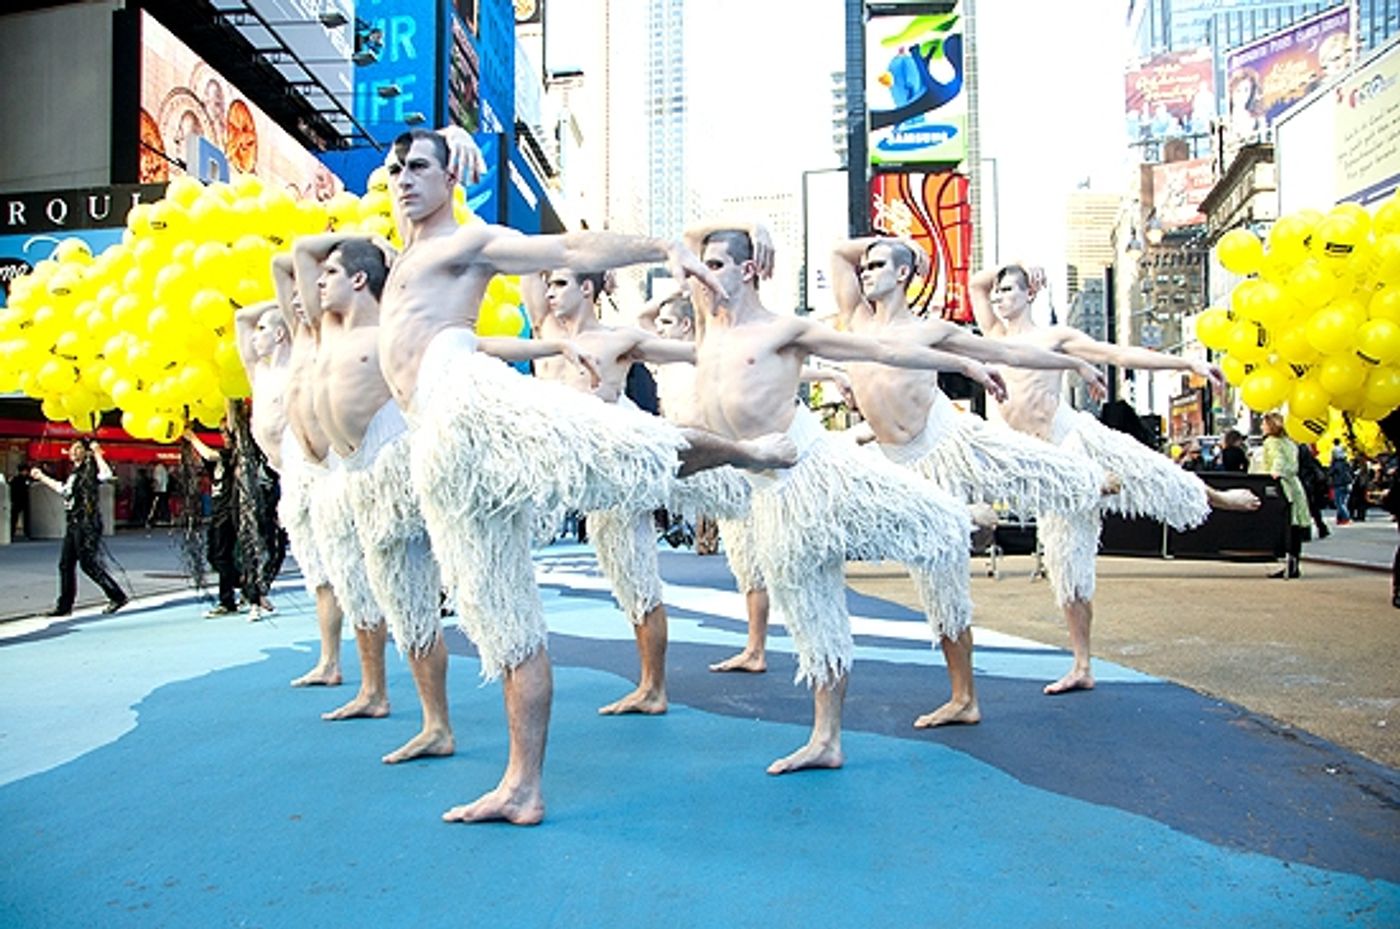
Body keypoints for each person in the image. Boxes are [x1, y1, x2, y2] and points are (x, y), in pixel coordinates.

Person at [376, 127, 795, 824]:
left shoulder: (467, 242)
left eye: (419, 166)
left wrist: (665, 247)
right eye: (395, 170)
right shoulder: (402, 257)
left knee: (629, 446)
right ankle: (522, 786)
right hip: (437, 444)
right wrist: (446, 136)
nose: (402, 178)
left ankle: (751, 454)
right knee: (503, 620)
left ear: (451, 178)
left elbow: (569, 248)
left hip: (469, 404)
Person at [684, 221, 1014, 773]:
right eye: (702, 265)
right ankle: (826, 740)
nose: (702, 273)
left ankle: (964, 518)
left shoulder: (783, 329)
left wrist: (961, 362)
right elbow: (687, 239)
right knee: (813, 617)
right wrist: (751, 225)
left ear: (746, 271)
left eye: (715, 265)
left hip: (812, 464)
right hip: (766, 487)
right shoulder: (705, 321)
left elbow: (881, 349)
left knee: (917, 514)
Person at [828, 236, 1113, 725]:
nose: (865, 271)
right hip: (893, 462)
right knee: (937, 588)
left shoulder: (931, 329)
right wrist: (886, 243)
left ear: (902, 275)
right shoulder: (854, 319)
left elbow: (1008, 353)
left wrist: (1076, 362)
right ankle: (971, 527)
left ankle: (1086, 480)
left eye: (877, 265)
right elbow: (838, 254)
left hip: (942, 444)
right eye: (866, 264)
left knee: (1018, 464)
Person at [968, 262, 1260, 694]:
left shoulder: (1054, 337)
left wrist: (1188, 363)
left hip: (1072, 437)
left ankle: (1215, 496)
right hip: (1042, 466)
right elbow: (976, 281)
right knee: (1067, 565)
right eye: (997, 293)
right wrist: (1013, 265)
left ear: (1030, 293)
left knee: (1148, 469)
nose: (998, 297)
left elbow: (1119, 354)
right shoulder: (991, 337)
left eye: (1008, 289)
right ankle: (1082, 665)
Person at [523, 266, 708, 714]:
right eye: (548, 284)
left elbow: (695, 353)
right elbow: (530, 263)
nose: (549, 291)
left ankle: (654, 688)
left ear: (587, 289)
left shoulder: (617, 339)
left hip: (616, 466)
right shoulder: (545, 331)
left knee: (637, 578)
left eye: (561, 284)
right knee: (620, 579)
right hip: (560, 463)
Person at [269, 253, 347, 687]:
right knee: (318, 572)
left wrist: (364, 240)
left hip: (333, 463)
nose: (300, 301)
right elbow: (281, 264)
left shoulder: (332, 332)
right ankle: (329, 660)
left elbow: (295, 262)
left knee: (351, 569)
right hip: (298, 464)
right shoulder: (297, 336)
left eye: (312, 290)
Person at [30, 440, 128, 616]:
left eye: (78, 449)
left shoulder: (89, 470)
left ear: (86, 452)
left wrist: (98, 452)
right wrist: (42, 477)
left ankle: (117, 595)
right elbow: (64, 490)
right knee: (65, 564)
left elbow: (106, 475)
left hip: (86, 522)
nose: (73, 452)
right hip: (74, 522)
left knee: (88, 564)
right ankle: (64, 606)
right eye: (72, 449)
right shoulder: (74, 473)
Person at [184, 425, 244, 617]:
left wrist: (192, 437)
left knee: (222, 556)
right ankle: (245, 584)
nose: (224, 437)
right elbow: (204, 458)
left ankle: (228, 601)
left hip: (229, 513)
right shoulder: (216, 461)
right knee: (214, 557)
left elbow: (209, 455)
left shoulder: (231, 455)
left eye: (227, 433)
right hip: (217, 513)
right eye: (222, 433)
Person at [1260, 412, 1311, 579]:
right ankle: (1294, 562)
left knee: (1283, 525)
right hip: (1295, 485)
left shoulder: (1271, 442)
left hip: (1282, 486)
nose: (1262, 427)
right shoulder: (1290, 442)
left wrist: (1275, 472)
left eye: (1264, 424)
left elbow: (1278, 459)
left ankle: (1287, 562)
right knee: (1294, 527)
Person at [1298, 442, 1331, 540]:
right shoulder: (1309, 456)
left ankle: (1305, 531)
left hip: (1303, 481)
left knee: (1304, 508)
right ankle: (1321, 527)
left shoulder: (1299, 448)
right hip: (1310, 483)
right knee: (1313, 508)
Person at [1329, 439, 1354, 526]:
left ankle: (1347, 518)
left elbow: (1330, 472)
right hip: (1348, 484)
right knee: (1344, 503)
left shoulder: (1336, 464)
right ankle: (1340, 519)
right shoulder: (1347, 463)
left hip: (1339, 484)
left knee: (1339, 504)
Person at [10, 463, 31, 540]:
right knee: (25, 518)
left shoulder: (15, 479)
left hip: (17, 501)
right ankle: (27, 533)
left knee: (14, 518)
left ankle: (11, 533)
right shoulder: (25, 479)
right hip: (22, 501)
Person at [149, 460, 170, 527]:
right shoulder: (163, 468)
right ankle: (166, 519)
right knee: (164, 504)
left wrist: (153, 486)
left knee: (159, 505)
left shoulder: (158, 469)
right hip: (164, 490)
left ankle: (162, 519)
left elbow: (158, 480)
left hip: (159, 490)